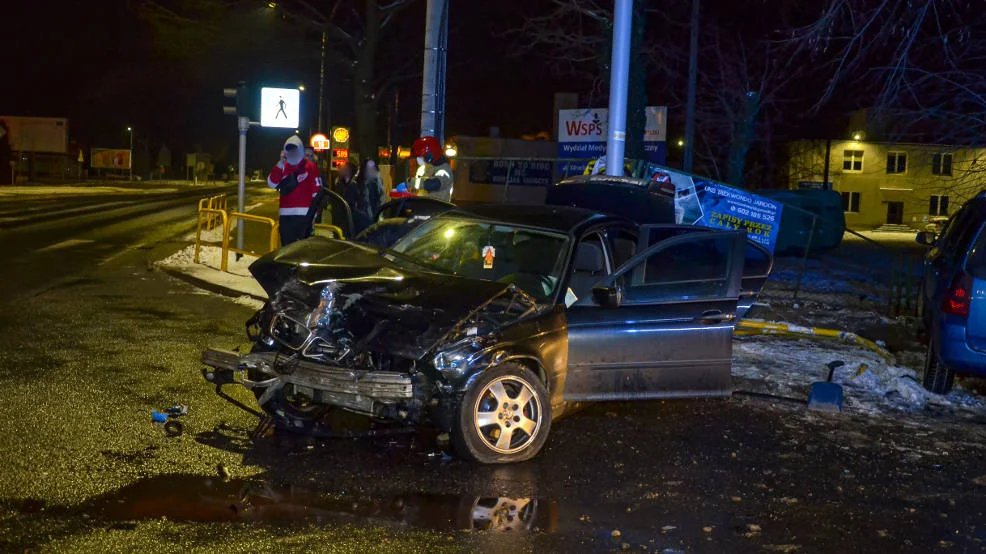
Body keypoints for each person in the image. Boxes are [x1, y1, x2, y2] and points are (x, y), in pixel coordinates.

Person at [267, 135, 322, 246]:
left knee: (302, 249)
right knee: (287, 249)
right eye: (290, 150)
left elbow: (317, 191)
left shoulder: (310, 167)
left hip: (305, 216)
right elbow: (272, 183)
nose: (293, 153)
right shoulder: (283, 166)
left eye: (295, 150)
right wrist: (280, 162)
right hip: (286, 216)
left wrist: (314, 214)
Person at [411, 135, 454, 202]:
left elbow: (434, 184)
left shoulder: (445, 170)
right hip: (423, 207)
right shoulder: (423, 168)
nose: (418, 159)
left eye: (421, 156)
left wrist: (409, 183)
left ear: (429, 156)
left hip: (438, 209)